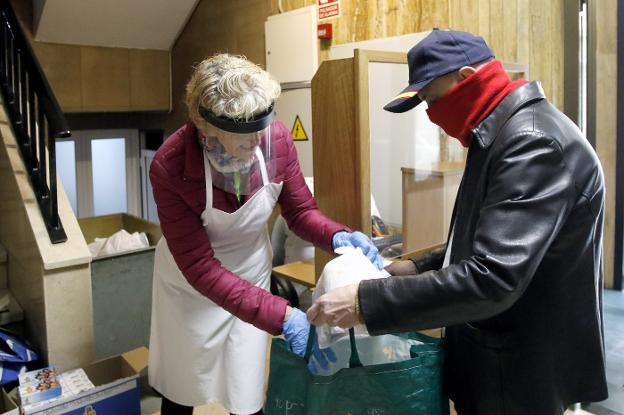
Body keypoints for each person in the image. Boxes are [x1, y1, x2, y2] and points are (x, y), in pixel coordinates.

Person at [307, 29, 608, 414]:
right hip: (499, 350)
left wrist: (365, 302)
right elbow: (486, 235)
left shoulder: (531, 141)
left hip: (520, 367)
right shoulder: (498, 133)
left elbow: (493, 277)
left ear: (467, 78)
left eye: (433, 99)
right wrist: (416, 265)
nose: (432, 116)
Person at [148, 53, 382, 415]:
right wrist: (284, 315)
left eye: (262, 130)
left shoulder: (276, 138)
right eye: (244, 137)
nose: (258, 142)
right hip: (189, 288)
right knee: (184, 384)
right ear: (206, 127)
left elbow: (300, 212)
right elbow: (199, 267)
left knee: (247, 388)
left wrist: (338, 236)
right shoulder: (170, 165)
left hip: (250, 273)